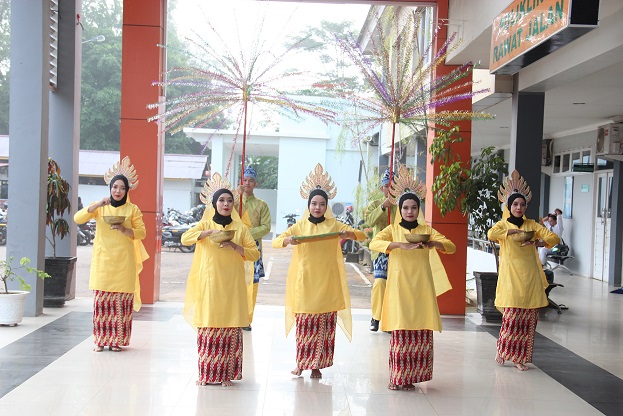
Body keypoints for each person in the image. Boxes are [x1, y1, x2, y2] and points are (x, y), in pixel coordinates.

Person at [272, 163, 365, 379]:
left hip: (328, 283)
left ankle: (317, 365)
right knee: (305, 325)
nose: (317, 207)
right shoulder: (299, 226)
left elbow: (361, 235)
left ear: (327, 206)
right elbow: (277, 241)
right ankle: (301, 363)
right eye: (314, 203)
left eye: (322, 204)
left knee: (324, 326)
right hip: (305, 282)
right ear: (308, 205)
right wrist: (288, 240)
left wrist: (349, 235)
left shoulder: (334, 225)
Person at [369, 165, 455, 390]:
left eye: (414, 207)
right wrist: (398, 245)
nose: (409, 211)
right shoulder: (393, 229)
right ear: (400, 209)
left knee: (419, 333)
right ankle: (397, 377)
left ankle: (411, 378)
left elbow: (451, 246)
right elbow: (374, 243)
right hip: (399, 288)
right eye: (405, 207)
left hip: (422, 288)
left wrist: (433, 243)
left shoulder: (426, 231)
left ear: (419, 209)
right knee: (400, 332)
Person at [181, 172, 260, 387]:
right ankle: (206, 374)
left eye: (229, 200)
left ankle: (226, 374)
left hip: (232, 285)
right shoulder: (205, 225)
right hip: (210, 284)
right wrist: (205, 234)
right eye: (221, 200)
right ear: (214, 203)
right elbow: (185, 238)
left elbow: (254, 254)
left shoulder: (240, 228)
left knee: (229, 327)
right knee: (209, 326)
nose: (226, 204)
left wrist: (235, 246)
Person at [73, 156, 149, 353]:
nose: (118, 191)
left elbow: (142, 232)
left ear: (127, 190)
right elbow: (78, 218)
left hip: (124, 264)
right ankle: (100, 340)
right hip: (103, 263)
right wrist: (97, 204)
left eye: (122, 188)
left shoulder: (132, 209)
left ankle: (116, 341)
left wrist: (125, 230)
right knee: (102, 304)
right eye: (115, 187)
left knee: (121, 304)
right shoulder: (100, 207)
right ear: (110, 188)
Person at [487, 170, 560, 371]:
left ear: (526, 207)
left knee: (528, 321)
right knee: (511, 319)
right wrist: (511, 231)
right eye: (515, 204)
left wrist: (538, 242)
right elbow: (491, 234)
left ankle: (519, 358)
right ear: (509, 207)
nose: (519, 208)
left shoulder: (532, 225)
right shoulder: (502, 225)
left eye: (522, 204)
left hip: (530, 278)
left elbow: (554, 238)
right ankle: (503, 350)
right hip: (511, 278)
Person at [237, 166, 271, 331]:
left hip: (253, 249)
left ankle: (246, 319)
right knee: (234, 282)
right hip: (235, 247)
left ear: (255, 184)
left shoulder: (261, 205)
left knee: (252, 284)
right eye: (245, 180)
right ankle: (233, 316)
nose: (247, 183)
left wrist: (247, 234)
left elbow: (266, 227)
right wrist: (236, 196)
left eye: (251, 181)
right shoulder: (233, 202)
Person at [365, 168, 397, 332]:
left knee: (396, 286)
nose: (390, 190)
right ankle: (376, 317)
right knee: (380, 282)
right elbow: (369, 221)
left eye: (393, 186)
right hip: (381, 251)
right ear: (381, 188)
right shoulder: (375, 204)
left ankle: (391, 319)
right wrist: (383, 207)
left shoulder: (403, 205)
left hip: (399, 250)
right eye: (386, 186)